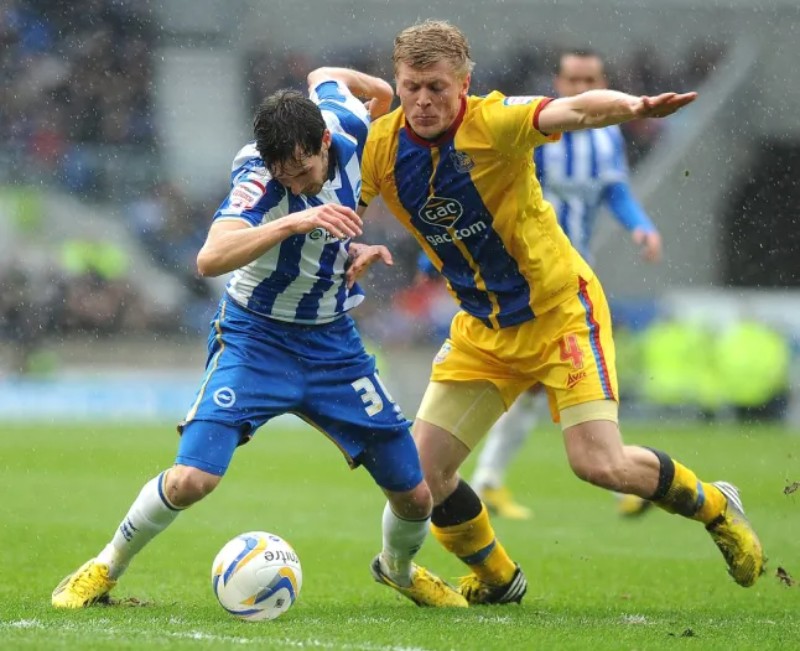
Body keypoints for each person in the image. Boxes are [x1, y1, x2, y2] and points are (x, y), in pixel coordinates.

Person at [351, 20, 764, 604]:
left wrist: (631, 106)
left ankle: (717, 504)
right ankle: (499, 580)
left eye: (436, 87)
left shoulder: (494, 122)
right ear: (397, 83)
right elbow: (340, 206)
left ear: (464, 84)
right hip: (483, 330)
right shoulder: (379, 147)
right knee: (422, 478)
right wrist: (350, 245)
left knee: (599, 464)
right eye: (411, 87)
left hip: (559, 313)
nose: (422, 101)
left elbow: (573, 111)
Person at [51, 66, 467, 610]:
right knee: (192, 480)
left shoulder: (345, 120)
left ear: (324, 141)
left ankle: (398, 569)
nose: (294, 183)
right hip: (256, 339)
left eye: (303, 170)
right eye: (284, 176)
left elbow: (366, 88)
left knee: (415, 495)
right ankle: (105, 567)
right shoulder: (259, 177)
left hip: (333, 345)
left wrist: (349, 245)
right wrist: (294, 221)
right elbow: (209, 258)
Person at [470, 49, 662, 520]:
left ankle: (487, 481)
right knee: (563, 376)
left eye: (590, 79)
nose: (581, 88)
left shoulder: (608, 136)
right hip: (528, 273)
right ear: (557, 83)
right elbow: (492, 189)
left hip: (575, 273)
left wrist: (640, 225)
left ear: (604, 80)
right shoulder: (538, 130)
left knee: (551, 382)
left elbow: (614, 190)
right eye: (573, 80)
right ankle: (617, 478)